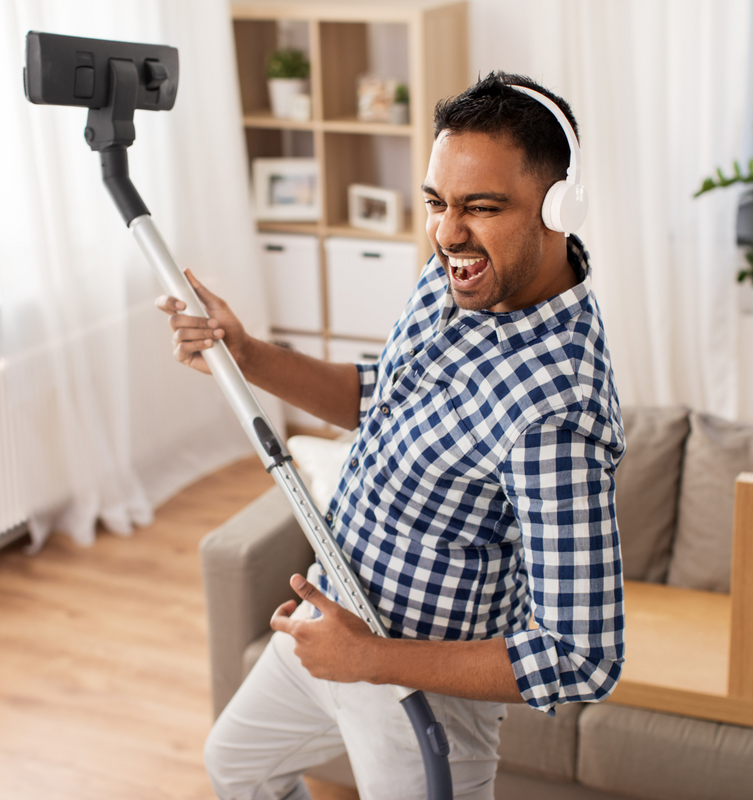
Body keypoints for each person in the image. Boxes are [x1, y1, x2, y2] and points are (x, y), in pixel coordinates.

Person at [156, 72, 625, 800]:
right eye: (437, 202)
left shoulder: (556, 411)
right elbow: (382, 396)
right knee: (237, 765)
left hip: (418, 692)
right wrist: (246, 353)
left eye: (481, 207)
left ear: (561, 207)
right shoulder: (458, 278)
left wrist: (372, 657)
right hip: (331, 621)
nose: (446, 233)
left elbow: (582, 657)